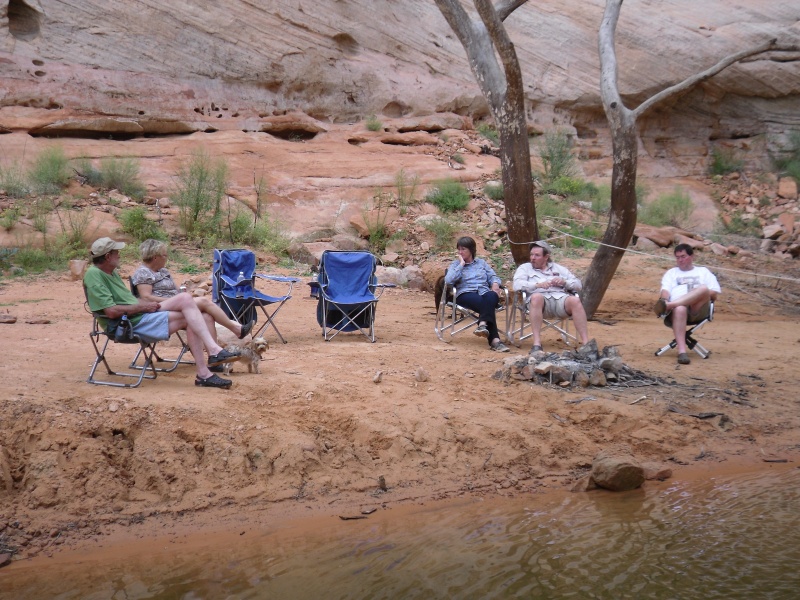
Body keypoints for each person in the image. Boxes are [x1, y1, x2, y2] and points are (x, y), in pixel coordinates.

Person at [83, 237, 241, 389]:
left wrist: (145, 305)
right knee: (186, 300)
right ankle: (213, 354)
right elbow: (111, 311)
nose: (119, 255)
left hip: (138, 316)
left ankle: (205, 371)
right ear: (108, 256)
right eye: (116, 252)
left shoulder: (112, 273)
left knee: (198, 311)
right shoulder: (94, 275)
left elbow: (129, 300)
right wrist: (144, 307)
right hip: (125, 325)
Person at [131, 239, 255, 344]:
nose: (166, 258)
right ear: (155, 257)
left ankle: (215, 355)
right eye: (164, 255)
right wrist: (174, 300)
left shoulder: (163, 271)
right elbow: (146, 297)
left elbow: (174, 290)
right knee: (204, 302)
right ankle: (236, 328)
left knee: (207, 316)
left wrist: (181, 294)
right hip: (158, 308)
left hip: (176, 304)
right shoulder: (143, 273)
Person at [512, 240, 591, 353]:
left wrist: (564, 282)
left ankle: (586, 344)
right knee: (536, 297)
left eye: (537, 255)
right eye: (531, 254)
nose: (533, 258)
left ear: (546, 257)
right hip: (538, 303)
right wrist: (537, 285)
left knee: (575, 300)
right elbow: (517, 285)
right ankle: (537, 344)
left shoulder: (559, 269)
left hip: (559, 300)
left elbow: (578, 285)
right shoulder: (525, 268)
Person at [654, 243, 721, 365]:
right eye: (677, 257)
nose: (680, 260)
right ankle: (682, 352)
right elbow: (665, 291)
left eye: (683, 256)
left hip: (697, 309)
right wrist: (664, 300)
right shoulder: (671, 273)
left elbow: (714, 294)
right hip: (677, 311)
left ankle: (671, 305)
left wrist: (693, 295)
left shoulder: (703, 271)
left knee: (703, 289)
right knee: (680, 308)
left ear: (692, 256)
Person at [444, 236, 510, 352]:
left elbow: (493, 276)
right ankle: (494, 340)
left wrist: (495, 283)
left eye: (463, 249)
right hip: (465, 294)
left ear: (471, 250)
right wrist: (461, 265)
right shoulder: (456, 265)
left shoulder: (481, 263)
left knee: (492, 295)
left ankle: (483, 325)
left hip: (484, 293)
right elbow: (448, 280)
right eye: (459, 249)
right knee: (488, 304)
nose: (460, 252)